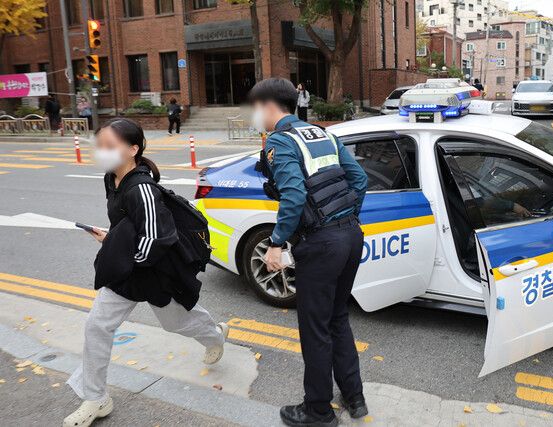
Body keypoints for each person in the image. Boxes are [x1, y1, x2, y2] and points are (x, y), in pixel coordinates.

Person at [63, 118, 228, 427]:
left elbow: (158, 237)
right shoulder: (111, 179)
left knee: (176, 322)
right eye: (100, 145)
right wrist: (111, 239)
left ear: (133, 150)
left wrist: (126, 258)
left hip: (154, 270)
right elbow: (126, 225)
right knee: (97, 326)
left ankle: (215, 335)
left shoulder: (142, 189)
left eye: (110, 146)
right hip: (127, 271)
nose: (102, 151)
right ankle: (96, 398)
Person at [249, 78, 368, 427]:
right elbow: (359, 179)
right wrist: (343, 217)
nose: (255, 115)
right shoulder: (322, 133)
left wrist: (276, 242)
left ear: (269, 105)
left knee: (315, 329)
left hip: (321, 244)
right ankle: (354, 397)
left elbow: (294, 195)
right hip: (351, 236)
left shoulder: (280, 141)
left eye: (256, 107)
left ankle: (317, 410)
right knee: (337, 318)